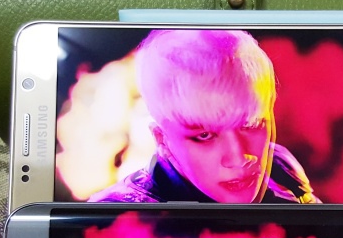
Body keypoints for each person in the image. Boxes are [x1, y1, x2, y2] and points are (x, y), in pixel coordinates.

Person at [88, 29, 320, 203]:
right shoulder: (112, 223)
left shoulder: (282, 173)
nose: (238, 158)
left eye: (250, 123)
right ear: (161, 139)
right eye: (205, 135)